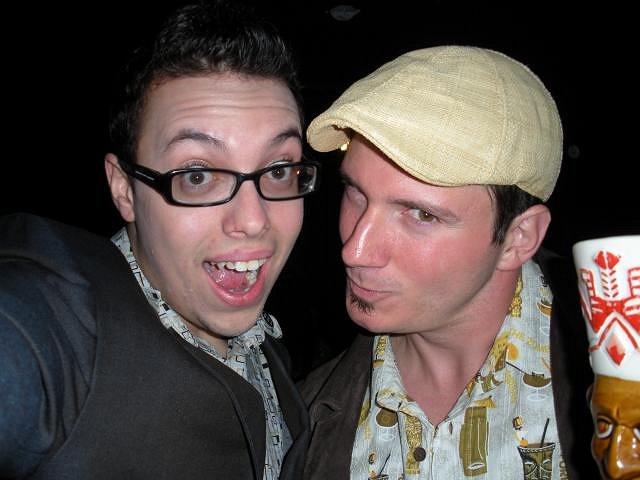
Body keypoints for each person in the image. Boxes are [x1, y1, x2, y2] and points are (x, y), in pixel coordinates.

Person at [0, 2, 317, 478]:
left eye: (278, 170)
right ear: (124, 189)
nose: (254, 221)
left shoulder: (269, 348)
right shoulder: (65, 321)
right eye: (196, 175)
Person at [300, 46, 593, 479]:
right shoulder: (305, 412)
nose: (355, 250)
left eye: (421, 214)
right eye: (355, 193)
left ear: (519, 237)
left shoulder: (617, 385)